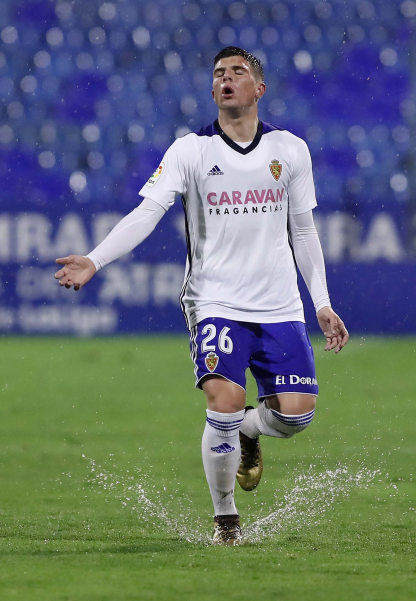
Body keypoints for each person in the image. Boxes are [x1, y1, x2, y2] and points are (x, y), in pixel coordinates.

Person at [54, 46, 350, 544]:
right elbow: (147, 213)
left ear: (259, 88)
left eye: (238, 72)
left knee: (296, 415)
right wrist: (95, 259)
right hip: (214, 300)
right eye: (218, 74)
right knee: (224, 400)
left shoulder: (290, 150)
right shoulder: (190, 151)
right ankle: (226, 520)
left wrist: (320, 301)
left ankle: (251, 435)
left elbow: (304, 231)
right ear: (212, 90)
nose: (226, 79)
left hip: (279, 304)